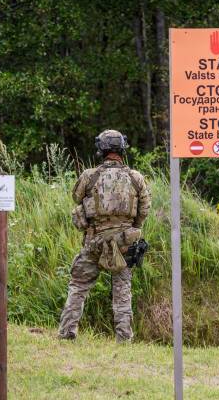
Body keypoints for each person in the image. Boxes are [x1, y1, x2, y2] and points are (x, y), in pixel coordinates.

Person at [58, 130, 151, 342]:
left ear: (101, 149)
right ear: (122, 149)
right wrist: (130, 231)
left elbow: (76, 197)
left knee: (79, 286)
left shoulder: (90, 176)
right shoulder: (136, 177)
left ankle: (67, 333)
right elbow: (144, 210)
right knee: (122, 291)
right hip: (124, 244)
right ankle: (124, 339)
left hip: (94, 241)